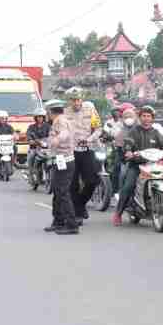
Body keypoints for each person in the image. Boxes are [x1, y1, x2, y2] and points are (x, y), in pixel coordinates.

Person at [112, 106, 163, 227]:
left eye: (148, 116)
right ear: (140, 118)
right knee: (128, 186)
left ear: (152, 119)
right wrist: (128, 151)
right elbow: (128, 142)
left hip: (153, 165)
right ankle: (118, 213)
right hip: (137, 165)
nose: (146, 118)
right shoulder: (134, 131)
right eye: (144, 116)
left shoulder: (156, 133)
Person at [64, 87, 101, 223]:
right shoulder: (65, 113)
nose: (76, 103)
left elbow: (98, 129)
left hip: (87, 149)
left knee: (92, 181)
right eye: (73, 100)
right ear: (70, 101)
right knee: (72, 184)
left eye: (78, 99)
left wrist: (89, 139)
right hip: (71, 150)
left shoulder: (90, 110)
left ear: (82, 100)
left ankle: (80, 204)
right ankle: (78, 213)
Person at [44, 99, 79, 235]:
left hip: (64, 160)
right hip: (61, 160)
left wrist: (56, 140)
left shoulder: (60, 121)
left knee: (63, 192)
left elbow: (64, 134)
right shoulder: (63, 119)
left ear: (50, 112)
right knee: (58, 192)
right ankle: (58, 221)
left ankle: (71, 224)